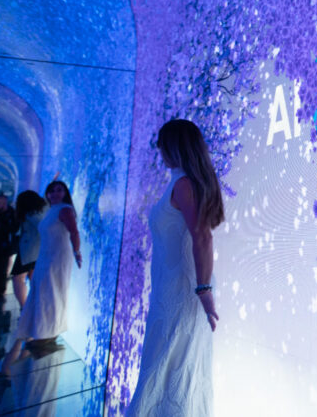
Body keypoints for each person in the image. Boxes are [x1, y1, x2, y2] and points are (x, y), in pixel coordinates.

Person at [127, 119, 224, 417]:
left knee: (168, 363)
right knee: (170, 364)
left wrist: (204, 289)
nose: (159, 149)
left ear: (175, 146)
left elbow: (202, 236)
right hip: (172, 288)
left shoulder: (184, 185)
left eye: (162, 143)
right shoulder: (180, 182)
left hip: (183, 291)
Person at [13, 181, 81, 346]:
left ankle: (50, 331)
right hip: (45, 254)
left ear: (65, 193)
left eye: (59, 190)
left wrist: (77, 252)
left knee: (52, 292)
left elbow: (74, 232)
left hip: (57, 256)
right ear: (47, 194)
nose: (55, 194)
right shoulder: (51, 210)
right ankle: (43, 330)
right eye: (51, 191)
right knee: (44, 291)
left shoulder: (65, 209)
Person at [10, 190, 48, 308]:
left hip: (29, 250)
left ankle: (25, 306)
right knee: (33, 277)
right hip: (38, 249)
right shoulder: (43, 208)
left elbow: (41, 226)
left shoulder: (30, 213)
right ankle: (36, 305)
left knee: (18, 278)